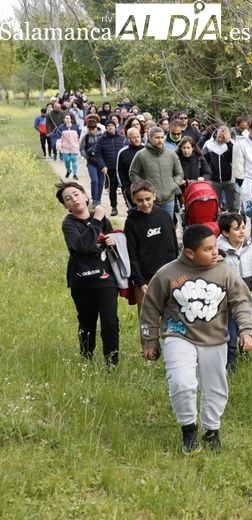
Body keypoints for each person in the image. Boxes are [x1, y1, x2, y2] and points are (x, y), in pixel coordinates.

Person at [140, 224, 252, 455]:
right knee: (182, 383)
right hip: (178, 335)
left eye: (215, 247)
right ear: (190, 253)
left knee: (215, 387)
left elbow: (243, 302)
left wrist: (246, 330)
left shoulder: (225, 272)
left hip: (215, 338)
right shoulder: (167, 274)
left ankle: (212, 430)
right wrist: (150, 341)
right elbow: (150, 308)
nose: (215, 252)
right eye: (208, 249)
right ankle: (189, 431)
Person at [56, 181, 120, 366]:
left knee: (110, 322)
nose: (74, 200)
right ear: (66, 206)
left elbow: (109, 243)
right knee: (87, 323)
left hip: (106, 279)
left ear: (85, 195)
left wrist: (112, 240)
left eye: (76, 194)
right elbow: (80, 247)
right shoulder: (69, 224)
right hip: (81, 281)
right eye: (68, 199)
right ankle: (86, 360)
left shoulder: (101, 219)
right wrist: (96, 221)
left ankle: (112, 364)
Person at [216, 213, 252, 373]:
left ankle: (245, 354)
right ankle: (231, 367)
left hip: (249, 300)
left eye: (243, 227)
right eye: (236, 229)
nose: (241, 231)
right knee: (229, 335)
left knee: (248, 331)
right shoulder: (219, 253)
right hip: (227, 303)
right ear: (225, 232)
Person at [124, 180, 179, 314]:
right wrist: (140, 281)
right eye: (140, 200)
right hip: (145, 281)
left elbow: (174, 246)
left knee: (173, 321)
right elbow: (131, 254)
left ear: (154, 195)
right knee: (147, 325)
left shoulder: (164, 215)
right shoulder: (131, 222)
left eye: (148, 199)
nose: (145, 203)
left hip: (169, 276)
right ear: (133, 200)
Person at [129, 127, 185, 218]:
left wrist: (173, 185)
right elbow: (133, 173)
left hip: (169, 199)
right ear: (150, 138)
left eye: (162, 137)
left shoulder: (171, 154)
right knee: (151, 227)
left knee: (167, 226)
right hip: (150, 201)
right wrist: (144, 188)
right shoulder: (141, 155)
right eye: (157, 138)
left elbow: (180, 174)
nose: (160, 140)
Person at [96, 121, 127, 216]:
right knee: (112, 188)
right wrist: (103, 165)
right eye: (108, 126)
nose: (110, 127)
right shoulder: (101, 139)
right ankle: (114, 207)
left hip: (122, 167)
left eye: (112, 126)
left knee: (125, 188)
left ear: (115, 127)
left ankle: (129, 206)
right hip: (110, 168)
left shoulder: (122, 138)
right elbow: (98, 154)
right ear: (106, 128)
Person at [203, 125, 237, 212]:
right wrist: (207, 177)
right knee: (214, 206)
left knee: (233, 206)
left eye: (224, 137)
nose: (221, 139)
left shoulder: (232, 143)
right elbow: (204, 162)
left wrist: (228, 142)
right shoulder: (208, 144)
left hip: (230, 179)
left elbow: (236, 158)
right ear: (216, 134)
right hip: (214, 180)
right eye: (219, 136)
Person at [115, 126, 145, 210]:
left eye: (138, 136)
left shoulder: (146, 149)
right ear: (128, 139)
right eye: (134, 137)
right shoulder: (122, 153)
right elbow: (119, 171)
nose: (137, 139)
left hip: (147, 187)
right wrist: (124, 188)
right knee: (134, 211)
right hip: (130, 188)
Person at [80, 118, 103, 208]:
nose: (91, 130)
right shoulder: (85, 137)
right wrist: (86, 156)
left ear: (96, 128)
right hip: (91, 162)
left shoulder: (102, 136)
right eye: (90, 129)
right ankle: (94, 199)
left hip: (101, 162)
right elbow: (82, 148)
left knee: (101, 182)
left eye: (93, 128)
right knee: (94, 180)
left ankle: (98, 199)